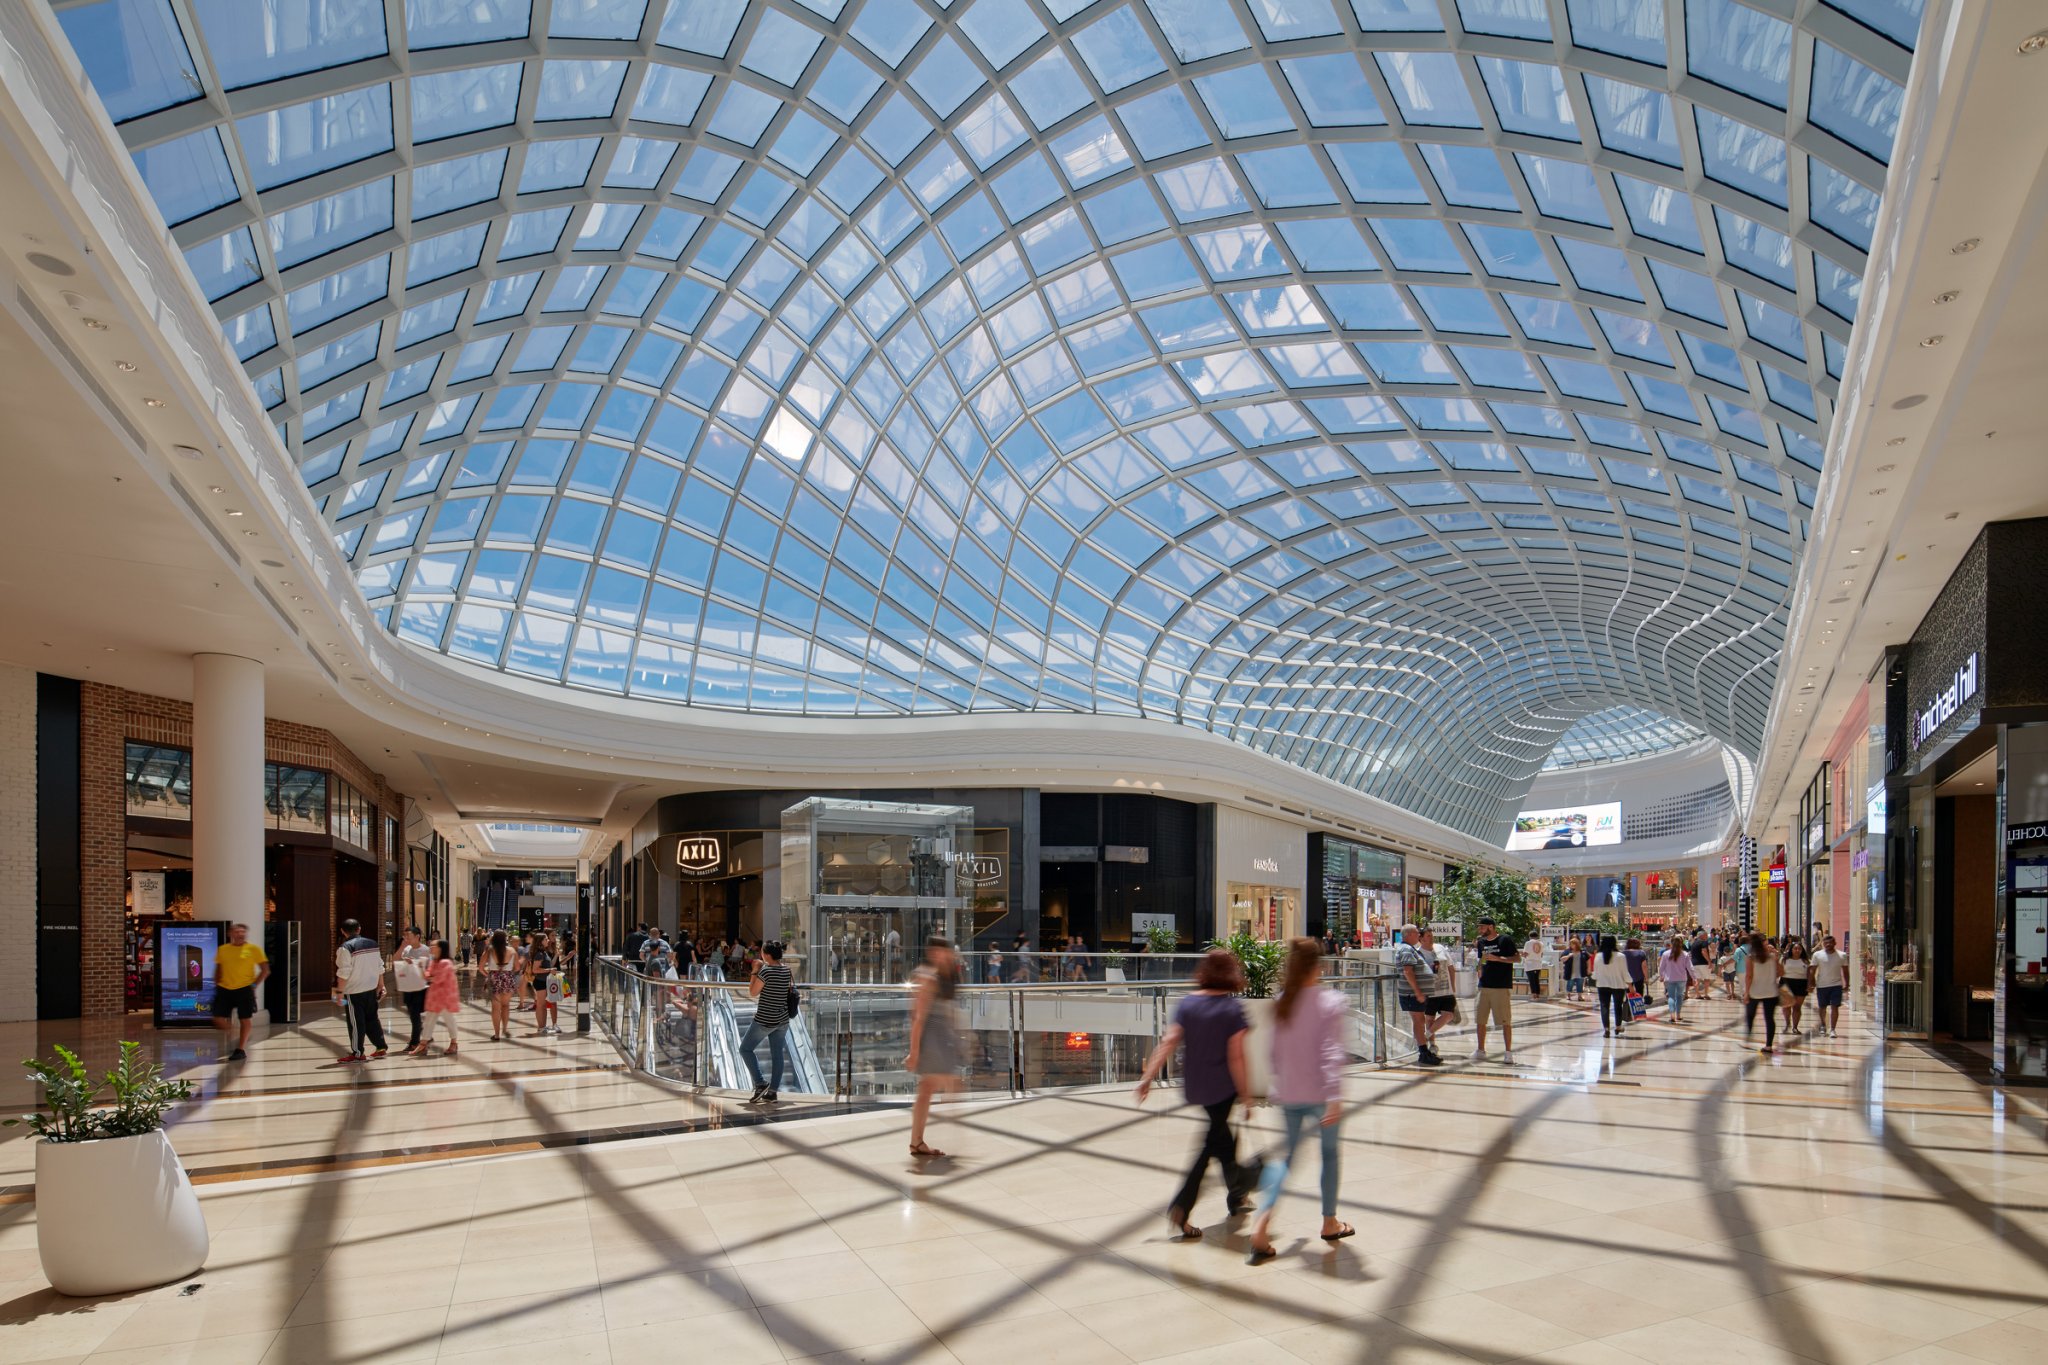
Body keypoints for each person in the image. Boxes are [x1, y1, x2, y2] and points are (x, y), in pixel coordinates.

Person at [1135, 948, 1257, 1240]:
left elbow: (1168, 1042)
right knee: (1209, 1148)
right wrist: (1247, 1094)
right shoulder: (1232, 1009)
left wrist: (1148, 1076)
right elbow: (1236, 1057)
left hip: (1197, 1087)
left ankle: (1237, 1197)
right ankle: (1181, 1206)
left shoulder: (1188, 1004)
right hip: (1223, 1089)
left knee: (1224, 1140)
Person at [1247, 940, 1352, 1262]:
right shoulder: (1331, 1001)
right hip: (1321, 1094)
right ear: (1317, 966)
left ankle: (1263, 1221)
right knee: (1330, 1156)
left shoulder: (1283, 1001)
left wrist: (1280, 1085)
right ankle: (1329, 1222)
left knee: (1288, 1159)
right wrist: (1334, 1096)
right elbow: (1330, 1052)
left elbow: (1273, 1053)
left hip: (1290, 1093)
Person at [906, 936, 965, 1155]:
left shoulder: (947, 976)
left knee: (927, 1088)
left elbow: (950, 1010)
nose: (939, 955)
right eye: (935, 951)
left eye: (943, 952)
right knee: (938, 1084)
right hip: (931, 1039)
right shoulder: (926, 976)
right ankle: (918, 1141)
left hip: (942, 1038)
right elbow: (918, 1016)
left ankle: (917, 1141)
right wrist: (913, 1051)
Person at [742, 940, 797, 1104]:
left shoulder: (766, 972)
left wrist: (755, 970)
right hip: (783, 1019)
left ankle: (760, 1083)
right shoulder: (787, 971)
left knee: (745, 1049)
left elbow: (753, 992)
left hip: (765, 1019)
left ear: (766, 955)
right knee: (777, 1054)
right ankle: (772, 1092)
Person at [211, 921, 269, 1061]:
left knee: (245, 1019)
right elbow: (219, 968)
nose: (240, 935)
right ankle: (234, 1032)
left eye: (243, 932)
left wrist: (254, 986)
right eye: (237, 932)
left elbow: (265, 970)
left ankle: (240, 1049)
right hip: (224, 989)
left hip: (244, 989)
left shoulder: (253, 949)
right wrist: (216, 982)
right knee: (217, 1018)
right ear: (230, 934)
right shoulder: (223, 949)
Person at [333, 918, 387, 1062]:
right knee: (372, 1019)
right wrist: (381, 985)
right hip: (371, 988)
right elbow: (379, 966)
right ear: (359, 929)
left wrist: (339, 993)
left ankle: (358, 1052)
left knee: (356, 1022)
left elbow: (344, 972)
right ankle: (381, 1047)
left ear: (343, 932)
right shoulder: (373, 944)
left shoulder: (345, 947)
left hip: (354, 991)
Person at [1392, 925, 1442, 1067]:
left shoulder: (1409, 948)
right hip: (1412, 994)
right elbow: (1408, 971)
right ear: (1409, 935)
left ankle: (1424, 1051)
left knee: (1419, 1021)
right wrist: (1418, 991)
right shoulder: (1407, 949)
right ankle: (1423, 1052)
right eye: (1416, 932)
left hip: (1413, 993)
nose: (1419, 935)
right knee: (1419, 1021)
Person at [1471, 916, 1518, 1064]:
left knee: (1505, 1020)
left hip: (1501, 986)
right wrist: (1479, 969)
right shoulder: (1481, 942)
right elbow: (1482, 959)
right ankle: (1480, 1049)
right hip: (1484, 986)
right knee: (1480, 1019)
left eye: (1482, 927)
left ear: (1491, 926)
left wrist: (1498, 959)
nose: (1480, 929)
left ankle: (1508, 1052)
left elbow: (1517, 958)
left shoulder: (1505, 940)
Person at [392, 926, 433, 1055]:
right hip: (408, 986)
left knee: (415, 1015)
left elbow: (430, 968)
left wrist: (415, 964)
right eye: (405, 936)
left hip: (421, 987)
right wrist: (402, 948)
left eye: (408, 936)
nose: (406, 939)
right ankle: (425, 1035)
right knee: (413, 1014)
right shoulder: (406, 949)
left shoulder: (426, 950)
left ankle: (414, 1042)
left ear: (417, 936)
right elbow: (394, 960)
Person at [1419, 927, 1459, 1054]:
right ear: (1421, 938)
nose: (1431, 937)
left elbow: (1451, 968)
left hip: (1446, 991)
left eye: (1432, 935)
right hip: (1430, 992)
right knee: (1429, 1019)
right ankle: (1432, 1045)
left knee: (1449, 1015)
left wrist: (1453, 987)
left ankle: (1425, 1036)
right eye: (1428, 935)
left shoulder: (1440, 948)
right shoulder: (1418, 954)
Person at [1743, 932, 1782, 1054]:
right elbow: (1781, 972)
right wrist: (1776, 957)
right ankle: (1768, 1045)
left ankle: (1748, 1037)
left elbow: (1749, 976)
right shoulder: (1772, 957)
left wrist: (1746, 992)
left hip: (1755, 992)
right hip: (1771, 992)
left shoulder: (1751, 958)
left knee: (1750, 1015)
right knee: (1769, 1018)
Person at [480, 928, 519, 1041]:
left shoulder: (489, 950)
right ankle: (505, 1029)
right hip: (507, 977)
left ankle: (497, 1034)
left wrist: (488, 975)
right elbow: (516, 968)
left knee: (495, 1008)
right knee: (506, 1006)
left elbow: (481, 968)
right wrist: (508, 971)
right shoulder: (512, 950)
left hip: (494, 978)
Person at [423, 937, 460, 1055]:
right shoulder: (434, 961)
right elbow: (428, 974)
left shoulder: (446, 963)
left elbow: (438, 978)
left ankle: (454, 1042)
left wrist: (430, 977)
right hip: (435, 996)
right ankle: (423, 1043)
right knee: (429, 1020)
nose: (431, 947)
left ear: (440, 948)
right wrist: (429, 976)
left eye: (434, 945)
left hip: (445, 997)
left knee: (449, 1020)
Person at [1591, 934, 1633, 1037]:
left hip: (1602, 985)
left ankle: (1606, 1029)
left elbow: (1595, 973)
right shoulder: (1620, 956)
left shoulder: (1598, 956)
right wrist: (1630, 985)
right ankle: (1618, 1026)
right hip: (1618, 985)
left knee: (1604, 1006)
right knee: (1618, 1005)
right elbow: (1625, 972)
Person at [1811, 934, 1849, 1037]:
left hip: (1836, 985)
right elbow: (1812, 970)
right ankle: (1823, 1025)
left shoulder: (1842, 955)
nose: (1828, 944)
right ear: (1823, 943)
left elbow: (1845, 970)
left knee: (1834, 1007)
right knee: (1822, 1007)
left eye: (1830, 942)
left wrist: (1847, 984)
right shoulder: (1817, 955)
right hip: (1822, 985)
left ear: (1835, 943)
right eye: (1826, 943)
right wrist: (1811, 983)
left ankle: (1833, 1029)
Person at [528, 932, 558, 1035]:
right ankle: (541, 1027)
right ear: (541, 941)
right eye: (546, 939)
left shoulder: (543, 952)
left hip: (544, 981)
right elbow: (535, 970)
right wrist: (550, 970)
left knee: (543, 1005)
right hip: (540, 982)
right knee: (541, 1005)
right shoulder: (539, 954)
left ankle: (543, 1026)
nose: (548, 940)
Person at [1659, 939, 1695, 1024]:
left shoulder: (1665, 954)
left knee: (1671, 997)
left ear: (1671, 944)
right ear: (1681, 944)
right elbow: (1690, 967)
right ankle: (1678, 1015)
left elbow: (1661, 967)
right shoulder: (1685, 954)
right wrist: (1694, 978)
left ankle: (1672, 1015)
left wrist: (1661, 976)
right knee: (1679, 996)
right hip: (1682, 978)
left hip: (1670, 978)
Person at [1780, 938, 1812, 1036]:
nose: (1797, 950)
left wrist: (1809, 985)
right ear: (1791, 950)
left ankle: (1795, 1027)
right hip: (1786, 982)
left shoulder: (1806, 961)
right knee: (1786, 1007)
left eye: (1799, 949)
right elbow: (1779, 971)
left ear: (1802, 950)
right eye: (1795, 948)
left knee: (1797, 1007)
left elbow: (1809, 974)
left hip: (1801, 984)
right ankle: (1787, 1024)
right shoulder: (1784, 959)